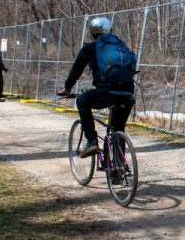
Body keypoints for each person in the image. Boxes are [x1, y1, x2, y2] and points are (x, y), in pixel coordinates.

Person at [57, 17, 136, 158]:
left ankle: (91, 141)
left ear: (92, 33)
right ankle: (119, 171)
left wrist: (67, 88)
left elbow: (76, 71)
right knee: (119, 129)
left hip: (105, 93)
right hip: (127, 94)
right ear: (110, 30)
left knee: (82, 101)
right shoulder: (121, 46)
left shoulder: (90, 48)